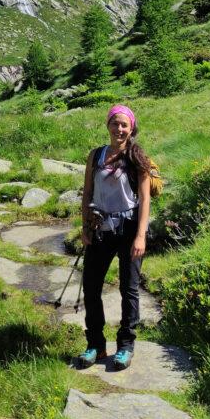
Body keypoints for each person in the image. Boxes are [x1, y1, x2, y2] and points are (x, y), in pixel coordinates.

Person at [75, 103, 152, 371]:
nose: (119, 129)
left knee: (128, 288)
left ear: (131, 129)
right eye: (115, 123)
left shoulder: (136, 157)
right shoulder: (95, 155)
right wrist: (84, 227)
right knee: (91, 287)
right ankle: (96, 344)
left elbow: (144, 199)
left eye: (124, 125)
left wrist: (141, 236)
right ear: (107, 125)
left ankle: (126, 345)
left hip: (130, 229)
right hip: (99, 228)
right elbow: (87, 193)